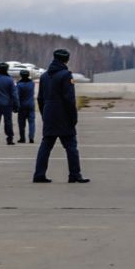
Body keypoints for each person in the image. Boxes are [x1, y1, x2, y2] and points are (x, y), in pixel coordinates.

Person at [32, 48, 87, 184]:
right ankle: (74, 174)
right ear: (66, 60)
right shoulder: (66, 75)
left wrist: (45, 114)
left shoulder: (44, 76)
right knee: (71, 146)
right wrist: (73, 117)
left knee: (46, 146)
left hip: (49, 114)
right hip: (63, 115)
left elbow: (40, 98)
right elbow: (69, 99)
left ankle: (39, 174)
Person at [15, 69, 37, 143]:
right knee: (31, 122)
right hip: (31, 105)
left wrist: (16, 106)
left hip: (22, 106)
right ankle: (31, 137)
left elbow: (17, 96)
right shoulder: (32, 83)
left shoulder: (19, 85)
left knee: (21, 123)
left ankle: (22, 138)